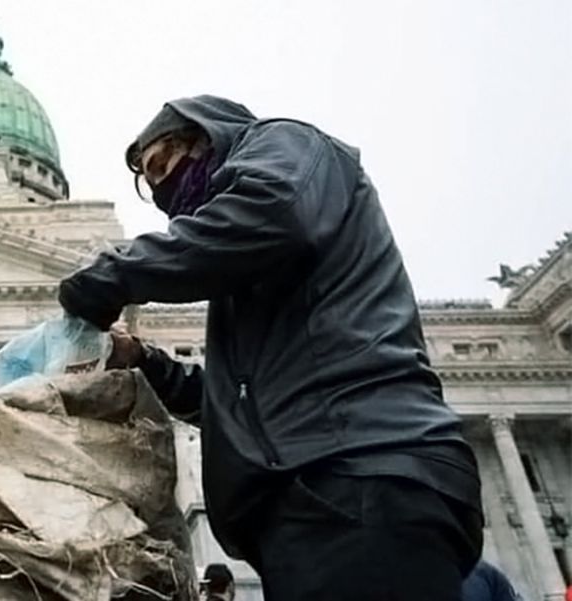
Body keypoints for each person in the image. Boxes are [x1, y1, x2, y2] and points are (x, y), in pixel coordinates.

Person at [59, 95, 484, 600]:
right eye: (150, 187)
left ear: (201, 138)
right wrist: (146, 362)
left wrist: (118, 273)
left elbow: (276, 211)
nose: (162, 193)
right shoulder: (253, 280)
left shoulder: (285, 146)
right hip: (318, 492)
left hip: (359, 471)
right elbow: (243, 404)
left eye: (161, 166)